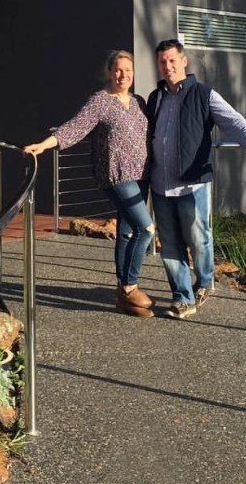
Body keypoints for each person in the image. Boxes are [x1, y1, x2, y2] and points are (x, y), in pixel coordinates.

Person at [147, 38, 246, 320]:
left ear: (183, 61)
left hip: (193, 183)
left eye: (171, 60)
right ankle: (182, 296)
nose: (167, 66)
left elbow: (232, 119)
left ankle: (204, 282)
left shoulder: (203, 94)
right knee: (169, 243)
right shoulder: (156, 98)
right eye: (162, 61)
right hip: (160, 184)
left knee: (198, 237)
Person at [24, 50, 156, 317]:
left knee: (127, 232)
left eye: (128, 71)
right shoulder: (100, 101)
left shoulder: (139, 101)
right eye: (118, 70)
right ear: (109, 72)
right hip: (116, 175)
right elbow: (75, 127)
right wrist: (45, 145)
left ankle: (123, 298)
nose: (123, 75)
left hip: (141, 175)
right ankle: (130, 287)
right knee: (147, 229)